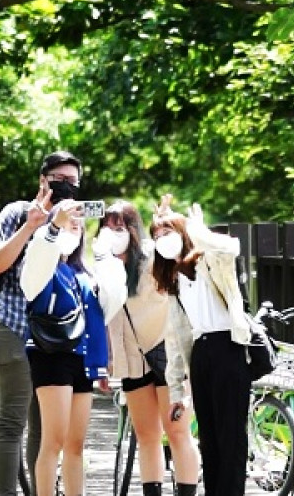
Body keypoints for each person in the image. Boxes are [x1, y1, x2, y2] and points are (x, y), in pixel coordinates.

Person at [0, 150, 82, 495]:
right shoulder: (17, 212)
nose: (66, 186)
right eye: (59, 179)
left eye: (73, 181)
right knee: (12, 420)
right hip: (13, 324)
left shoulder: (74, 221)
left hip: (54, 335)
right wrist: (31, 225)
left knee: (45, 430)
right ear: (43, 180)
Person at [20, 192, 125, 496]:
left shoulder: (83, 274)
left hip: (82, 360)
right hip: (51, 356)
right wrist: (54, 226)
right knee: (52, 442)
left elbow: (111, 303)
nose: (74, 228)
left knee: (76, 445)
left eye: (78, 225)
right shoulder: (42, 265)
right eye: (69, 223)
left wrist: (104, 254)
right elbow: (35, 268)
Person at [150, 194, 252, 496]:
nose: (162, 239)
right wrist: (175, 390)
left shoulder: (208, 261)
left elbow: (230, 247)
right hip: (201, 353)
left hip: (229, 346)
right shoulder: (174, 279)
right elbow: (175, 339)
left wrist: (197, 230)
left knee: (230, 435)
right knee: (208, 438)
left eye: (167, 232)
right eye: (157, 236)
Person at [100, 200, 199, 496]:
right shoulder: (103, 266)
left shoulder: (153, 257)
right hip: (132, 360)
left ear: (133, 230)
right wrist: (104, 361)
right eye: (107, 228)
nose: (113, 234)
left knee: (177, 432)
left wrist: (169, 223)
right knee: (146, 435)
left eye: (119, 227)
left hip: (167, 354)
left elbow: (179, 254)